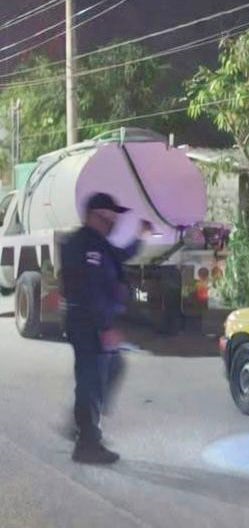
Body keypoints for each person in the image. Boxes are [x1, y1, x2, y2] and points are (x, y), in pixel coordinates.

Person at [59, 193, 147, 464]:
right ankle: (87, 443)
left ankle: (84, 425)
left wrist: (140, 236)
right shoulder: (85, 245)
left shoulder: (98, 243)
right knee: (91, 381)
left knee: (112, 367)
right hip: (89, 324)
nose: (113, 223)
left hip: (91, 323)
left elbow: (120, 255)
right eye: (108, 218)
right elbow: (90, 291)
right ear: (94, 216)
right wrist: (105, 327)